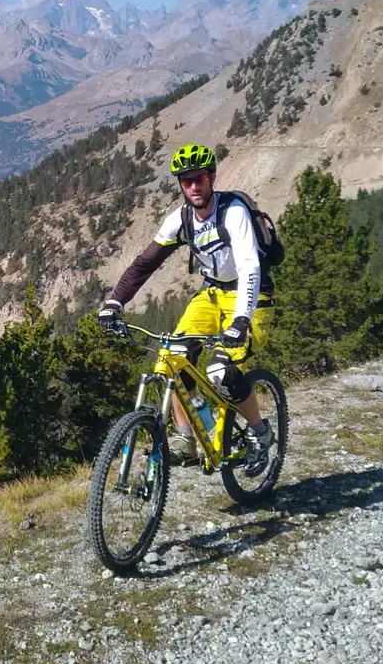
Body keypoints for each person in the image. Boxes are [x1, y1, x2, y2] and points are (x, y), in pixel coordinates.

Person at [96, 143, 276, 476]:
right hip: (212, 294)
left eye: (200, 179)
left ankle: (259, 433)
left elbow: (251, 266)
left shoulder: (232, 211)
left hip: (251, 296)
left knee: (221, 372)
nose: (194, 186)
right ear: (181, 185)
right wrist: (115, 301)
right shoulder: (180, 219)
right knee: (172, 360)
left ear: (211, 178)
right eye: (186, 181)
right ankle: (187, 439)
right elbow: (145, 263)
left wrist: (240, 320)